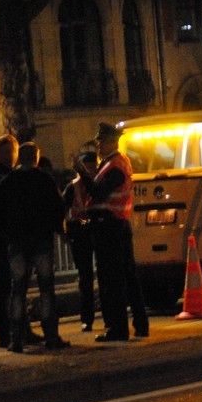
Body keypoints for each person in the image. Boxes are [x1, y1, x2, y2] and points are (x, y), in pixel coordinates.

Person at [0, 141, 69, 352]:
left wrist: (9, 234)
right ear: (35, 157)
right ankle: (51, 335)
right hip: (41, 240)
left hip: (17, 242)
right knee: (46, 289)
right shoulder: (44, 179)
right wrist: (58, 230)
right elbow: (58, 207)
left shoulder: (8, 182)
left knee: (18, 290)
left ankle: (16, 339)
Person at [77, 122, 147, 342]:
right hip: (114, 226)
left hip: (110, 227)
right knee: (127, 276)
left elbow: (99, 192)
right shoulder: (111, 164)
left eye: (101, 141)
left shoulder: (115, 165)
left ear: (111, 142)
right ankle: (139, 324)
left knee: (111, 279)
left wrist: (81, 172)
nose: (97, 145)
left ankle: (117, 328)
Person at [0, 134, 40, 348]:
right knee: (3, 286)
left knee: (19, 286)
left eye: (11, 152)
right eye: (4, 152)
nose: (8, 156)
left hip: (16, 237)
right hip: (0, 238)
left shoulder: (14, 174)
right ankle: (4, 332)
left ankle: (23, 330)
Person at [63, 150, 98, 332]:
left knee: (99, 274)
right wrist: (66, 232)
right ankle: (87, 318)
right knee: (85, 277)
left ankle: (97, 317)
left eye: (92, 168)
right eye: (87, 168)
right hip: (81, 231)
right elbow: (62, 208)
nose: (90, 171)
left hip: (97, 229)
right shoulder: (73, 187)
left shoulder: (99, 184)